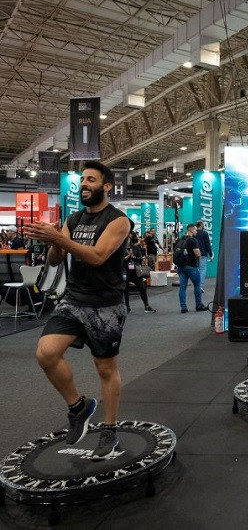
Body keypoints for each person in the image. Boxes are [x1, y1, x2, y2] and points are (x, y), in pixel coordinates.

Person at [25, 161, 132, 459]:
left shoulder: (118, 221)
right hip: (73, 299)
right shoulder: (73, 218)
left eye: (91, 180)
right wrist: (54, 240)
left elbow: (98, 256)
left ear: (106, 186)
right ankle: (78, 407)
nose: (84, 184)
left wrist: (61, 239)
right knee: (46, 353)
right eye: (83, 180)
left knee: (105, 368)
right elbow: (55, 259)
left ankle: (109, 429)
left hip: (105, 304)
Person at [177, 224, 207, 313]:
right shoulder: (193, 240)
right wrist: (199, 255)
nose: (196, 231)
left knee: (182, 288)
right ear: (191, 230)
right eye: (195, 230)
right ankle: (198, 305)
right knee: (197, 285)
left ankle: (183, 307)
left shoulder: (181, 239)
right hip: (191, 267)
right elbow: (197, 253)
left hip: (181, 267)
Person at [123, 234, 156, 313]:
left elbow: (141, 258)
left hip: (135, 271)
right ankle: (127, 307)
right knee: (125, 290)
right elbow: (120, 260)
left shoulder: (135, 247)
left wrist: (134, 257)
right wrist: (128, 256)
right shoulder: (121, 248)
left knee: (142, 288)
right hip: (125, 270)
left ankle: (146, 306)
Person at [195, 220, 213, 294]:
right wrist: (211, 254)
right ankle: (200, 286)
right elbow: (207, 244)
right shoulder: (205, 233)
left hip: (194, 255)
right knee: (202, 269)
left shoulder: (194, 233)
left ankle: (196, 286)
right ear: (201, 225)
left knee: (196, 270)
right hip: (203, 254)